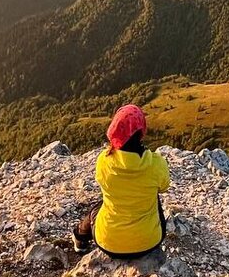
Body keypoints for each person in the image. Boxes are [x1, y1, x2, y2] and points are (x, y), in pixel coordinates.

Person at [72, 103, 170, 258]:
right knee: (154, 195)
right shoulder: (156, 164)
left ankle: (79, 239)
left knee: (99, 207)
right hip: (149, 243)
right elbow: (164, 187)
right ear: (141, 131)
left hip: (108, 243)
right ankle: (144, 232)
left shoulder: (104, 161)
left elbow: (102, 182)